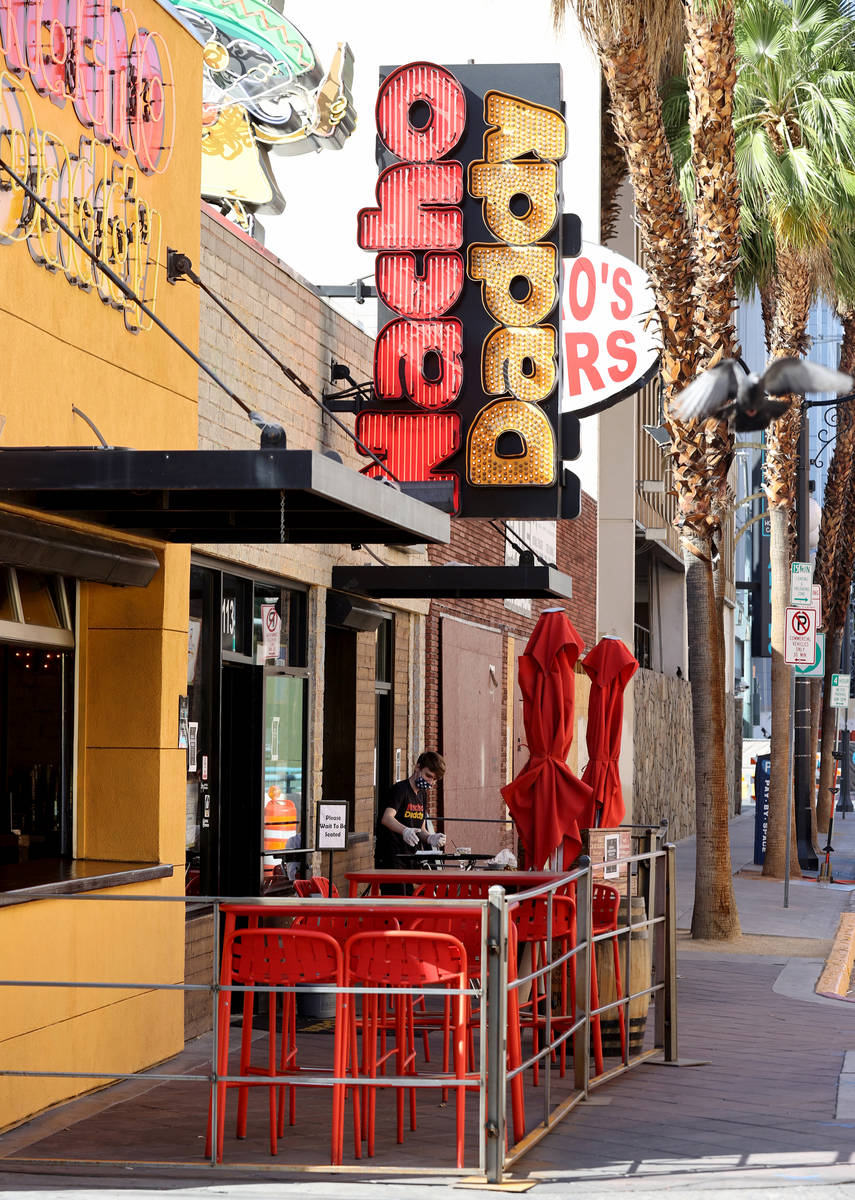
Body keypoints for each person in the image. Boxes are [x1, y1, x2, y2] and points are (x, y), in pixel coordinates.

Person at [374, 752, 447, 880]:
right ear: (417, 768)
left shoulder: (422, 795)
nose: (430, 782)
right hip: (393, 857)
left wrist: (430, 838)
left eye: (434, 779)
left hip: (413, 857)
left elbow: (421, 829)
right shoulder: (400, 789)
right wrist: (405, 831)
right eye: (428, 776)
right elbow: (387, 818)